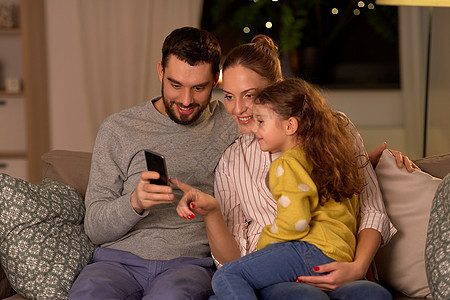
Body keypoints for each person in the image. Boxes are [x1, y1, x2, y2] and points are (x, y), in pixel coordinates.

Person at [174, 35, 417, 299]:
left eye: (250, 95)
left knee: (371, 294)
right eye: (229, 96)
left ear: (278, 90)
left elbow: (371, 209)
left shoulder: (335, 130)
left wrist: (357, 268)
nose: (238, 109)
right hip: (273, 272)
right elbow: (234, 259)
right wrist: (212, 214)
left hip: (337, 266)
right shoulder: (232, 160)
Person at [68, 27, 240, 300]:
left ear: (216, 80)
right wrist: (134, 202)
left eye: (199, 88)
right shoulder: (118, 129)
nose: (186, 100)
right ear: (160, 71)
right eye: (175, 85)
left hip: (188, 265)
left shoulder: (233, 125)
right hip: (116, 263)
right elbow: (94, 228)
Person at [211, 76, 382, 299]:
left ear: (290, 125)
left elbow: (296, 223)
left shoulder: (287, 163)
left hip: (308, 250)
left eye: (261, 121)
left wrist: (266, 241)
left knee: (225, 277)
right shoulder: (331, 159)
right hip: (341, 253)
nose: (254, 128)